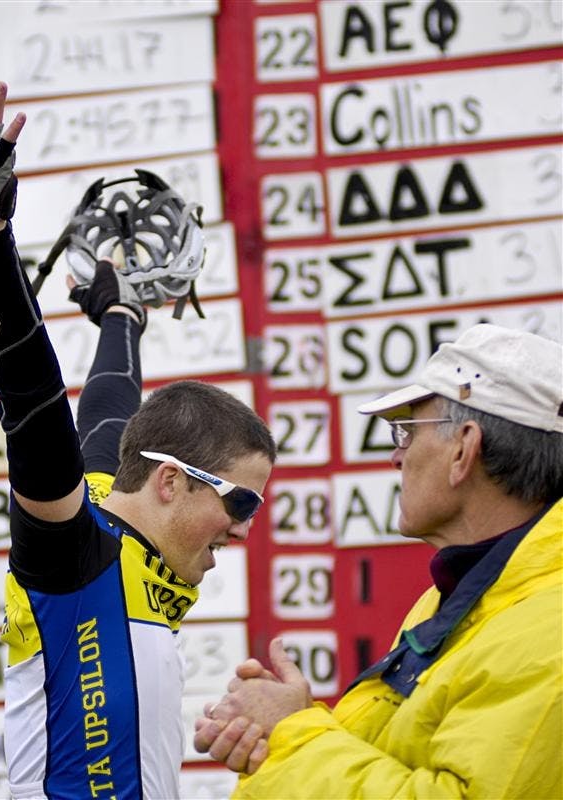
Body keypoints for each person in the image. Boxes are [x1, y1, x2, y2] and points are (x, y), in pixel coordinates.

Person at [0, 61, 276, 800]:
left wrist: (121, 315)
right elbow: (27, 390)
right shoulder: (72, 551)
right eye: (239, 503)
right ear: (170, 480)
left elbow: (108, 407)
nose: (244, 528)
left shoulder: (124, 508)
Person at [194, 323, 563, 799]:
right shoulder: (466, 596)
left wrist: (291, 733)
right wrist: (287, 725)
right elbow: (401, 759)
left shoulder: (546, 630)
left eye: (407, 431)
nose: (395, 455)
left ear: (464, 448)